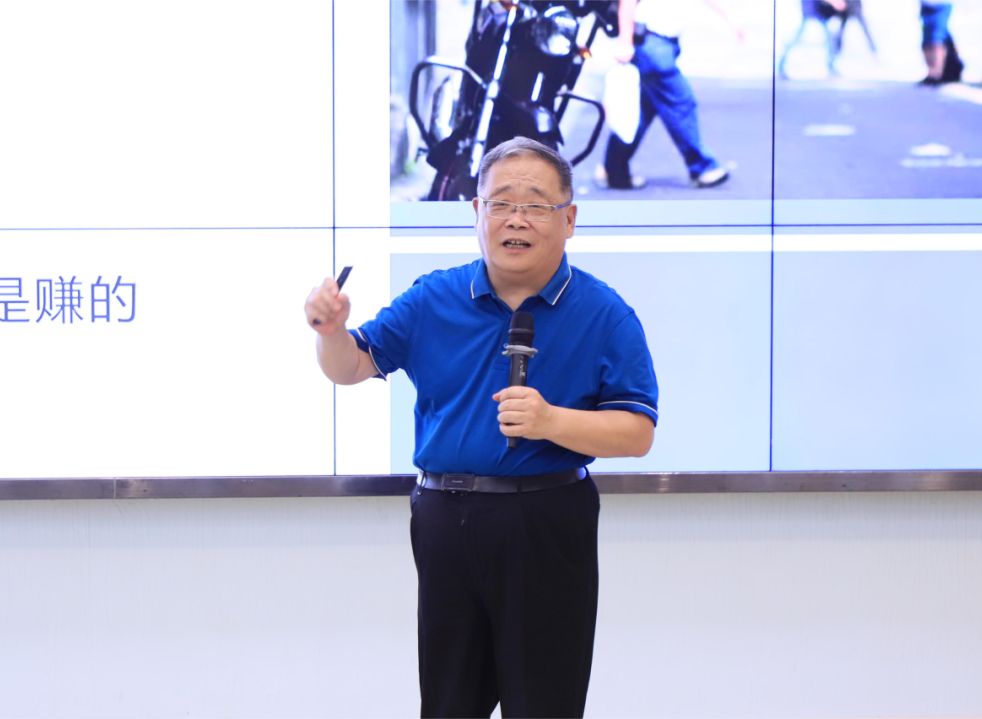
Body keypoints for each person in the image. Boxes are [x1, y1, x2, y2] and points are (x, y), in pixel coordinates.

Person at [306, 136, 658, 717]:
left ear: (569, 219)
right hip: (444, 519)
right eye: (501, 203)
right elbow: (351, 367)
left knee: (543, 704)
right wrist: (331, 333)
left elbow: (637, 431)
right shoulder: (434, 297)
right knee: (448, 703)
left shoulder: (605, 312)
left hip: (545, 519)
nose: (516, 219)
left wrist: (551, 421)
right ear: (476, 212)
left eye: (535, 204)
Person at [596, 0, 734, 190]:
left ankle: (613, 167)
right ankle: (703, 166)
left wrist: (731, 18)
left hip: (663, 44)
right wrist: (624, 41)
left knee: (642, 111)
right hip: (651, 43)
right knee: (681, 103)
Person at [919, 1, 964, 85]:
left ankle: (936, 73)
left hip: (941, 3)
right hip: (927, 4)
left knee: (936, 38)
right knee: (929, 38)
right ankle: (933, 73)